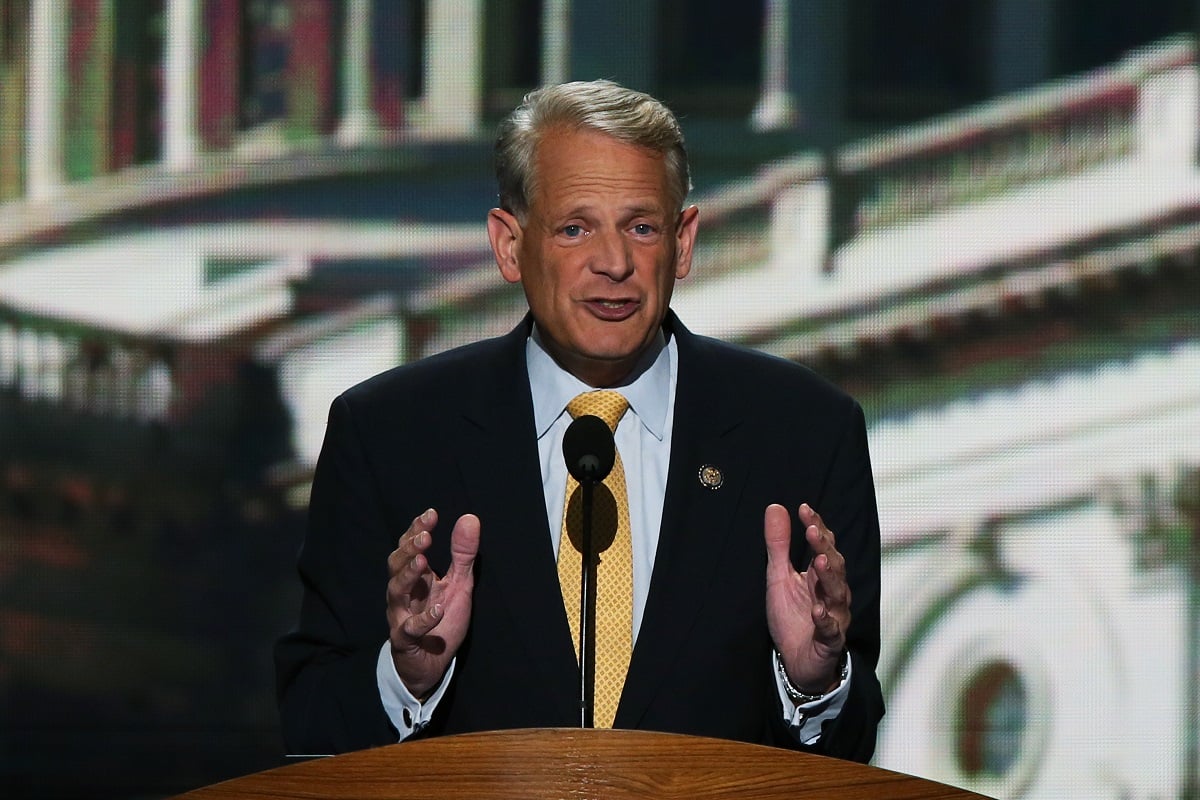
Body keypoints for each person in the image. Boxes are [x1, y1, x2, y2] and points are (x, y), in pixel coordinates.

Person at [275, 79, 884, 761]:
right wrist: (408, 677)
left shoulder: (803, 432)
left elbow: (855, 738)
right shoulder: (389, 434)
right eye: (575, 228)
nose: (615, 263)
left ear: (682, 243)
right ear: (510, 245)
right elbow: (311, 721)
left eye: (641, 227)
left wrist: (815, 681)